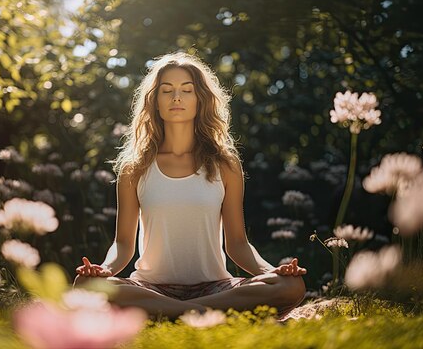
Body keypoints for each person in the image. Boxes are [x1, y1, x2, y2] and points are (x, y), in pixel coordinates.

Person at [74, 52, 306, 318]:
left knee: (290, 286)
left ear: (200, 101)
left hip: (217, 288)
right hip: (149, 288)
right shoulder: (134, 168)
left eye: (187, 90)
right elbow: (123, 243)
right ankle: (202, 314)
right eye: (167, 90)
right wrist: (103, 269)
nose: (176, 97)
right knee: (87, 285)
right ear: (155, 102)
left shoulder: (225, 164)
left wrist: (271, 272)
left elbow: (238, 244)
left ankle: (175, 313)